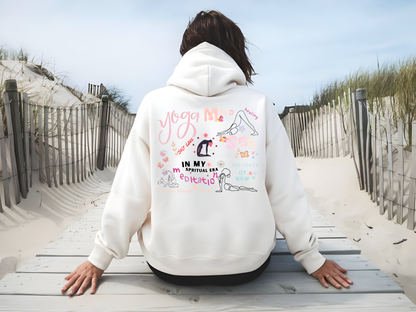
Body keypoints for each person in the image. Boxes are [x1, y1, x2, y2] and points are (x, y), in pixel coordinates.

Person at [61, 10, 353, 296]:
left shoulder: (154, 103)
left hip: (169, 264)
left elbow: (131, 191)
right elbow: (284, 192)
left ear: (186, 52)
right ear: (236, 52)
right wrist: (312, 258)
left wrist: (99, 258)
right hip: (248, 265)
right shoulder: (259, 105)